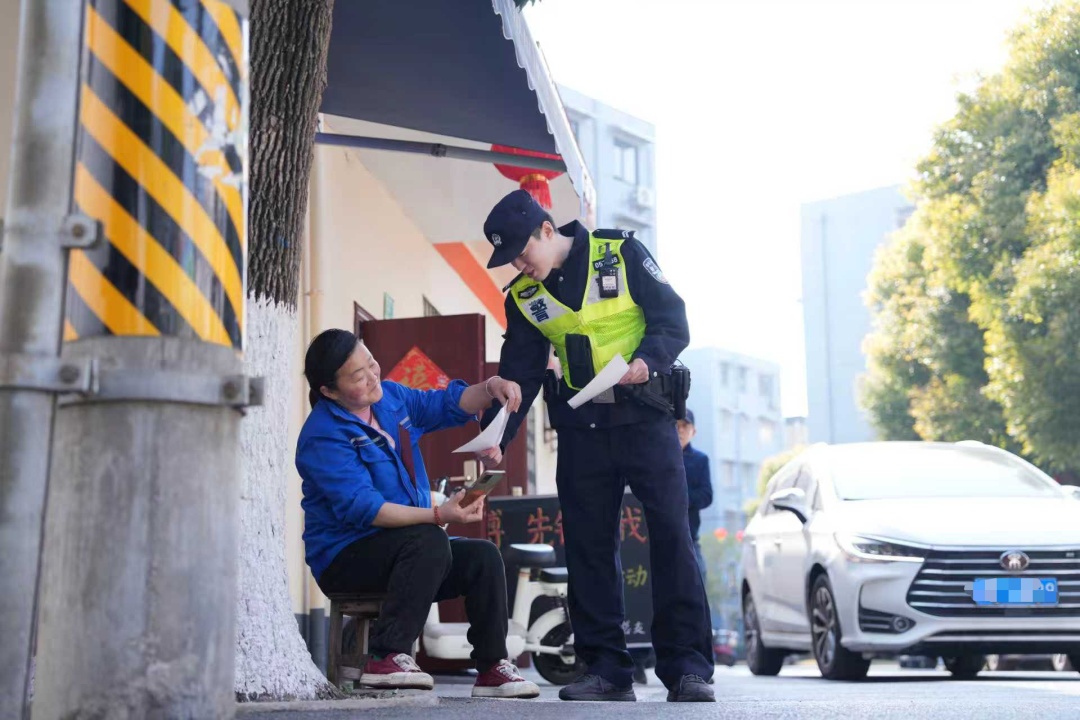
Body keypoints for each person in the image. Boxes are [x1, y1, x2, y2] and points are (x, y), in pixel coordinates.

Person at [475, 190, 716, 702]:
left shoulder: (620, 252)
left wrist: (649, 360)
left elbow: (673, 320)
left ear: (546, 230)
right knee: (587, 545)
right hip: (583, 428)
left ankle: (688, 667)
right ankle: (605, 669)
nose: (519, 265)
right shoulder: (523, 299)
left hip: (647, 417)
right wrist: (500, 435)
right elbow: (518, 375)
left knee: (672, 537)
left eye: (522, 252)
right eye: (510, 260)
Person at [295, 329, 538, 699]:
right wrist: (439, 514)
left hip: (406, 552)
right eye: (358, 376)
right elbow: (365, 509)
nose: (373, 375)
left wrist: (491, 387)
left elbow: (449, 404)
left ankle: (492, 668)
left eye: (371, 363)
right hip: (346, 557)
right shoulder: (322, 435)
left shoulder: (391, 398)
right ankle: (385, 657)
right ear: (329, 390)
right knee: (429, 538)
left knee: (482, 557)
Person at [678, 409, 713, 582]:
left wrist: (680, 499)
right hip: (659, 537)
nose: (680, 430)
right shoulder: (657, 458)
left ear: (694, 431)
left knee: (698, 581)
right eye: (676, 425)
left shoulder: (700, 460)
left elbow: (707, 495)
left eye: (685, 425)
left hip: (691, 537)